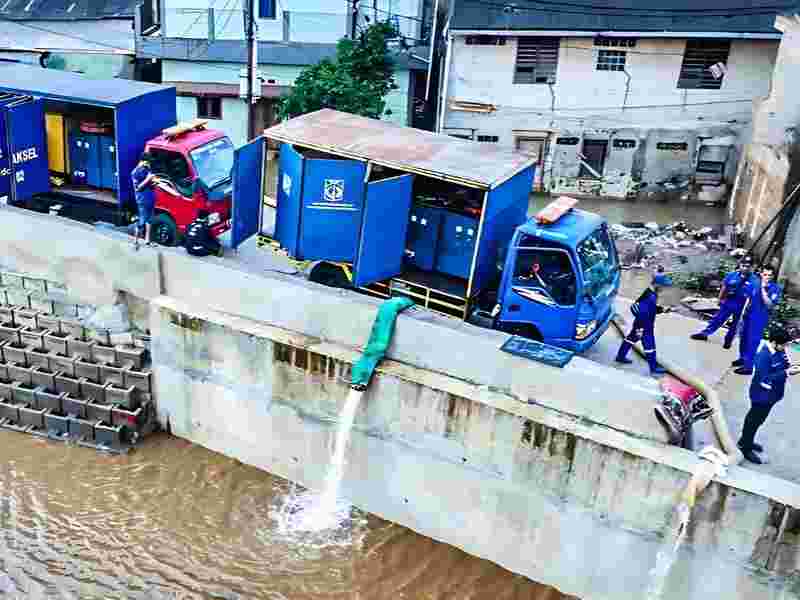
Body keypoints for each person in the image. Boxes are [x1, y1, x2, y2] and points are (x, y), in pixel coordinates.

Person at [737, 327, 799, 464]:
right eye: (783, 345)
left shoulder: (779, 350)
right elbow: (765, 378)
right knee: (753, 421)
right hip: (761, 396)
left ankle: (747, 440)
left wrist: (793, 367)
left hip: (772, 396)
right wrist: (787, 373)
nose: (785, 347)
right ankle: (744, 446)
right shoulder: (763, 356)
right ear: (774, 342)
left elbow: (784, 365)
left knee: (759, 421)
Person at [615, 268, 673, 376]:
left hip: (641, 323)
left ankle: (620, 356)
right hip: (645, 325)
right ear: (657, 285)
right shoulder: (651, 297)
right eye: (663, 287)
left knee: (631, 338)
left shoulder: (649, 292)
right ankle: (653, 367)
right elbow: (644, 312)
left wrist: (662, 310)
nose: (664, 289)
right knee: (649, 345)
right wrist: (641, 329)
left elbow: (650, 309)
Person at [690, 257, 756, 349]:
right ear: (740, 265)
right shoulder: (732, 275)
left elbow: (754, 296)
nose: (745, 268)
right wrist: (720, 299)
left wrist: (750, 309)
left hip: (742, 304)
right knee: (718, 318)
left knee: (735, 324)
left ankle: (728, 341)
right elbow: (724, 287)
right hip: (729, 301)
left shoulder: (755, 280)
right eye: (743, 265)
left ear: (752, 267)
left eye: (748, 266)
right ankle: (704, 334)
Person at [733, 265, 782, 375]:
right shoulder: (755, 283)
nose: (767, 277)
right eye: (765, 274)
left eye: (770, 275)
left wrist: (763, 289)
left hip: (759, 318)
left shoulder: (775, 288)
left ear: (773, 276)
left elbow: (769, 304)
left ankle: (748, 367)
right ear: (761, 274)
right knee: (744, 338)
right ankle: (743, 358)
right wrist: (742, 315)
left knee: (752, 341)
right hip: (749, 315)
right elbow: (749, 299)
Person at [131, 153, 158, 250]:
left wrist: (154, 182)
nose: (149, 163)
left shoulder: (147, 169)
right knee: (142, 220)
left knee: (150, 220)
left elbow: (150, 182)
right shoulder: (135, 172)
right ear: (143, 161)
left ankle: (147, 240)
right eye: (148, 161)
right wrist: (148, 179)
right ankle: (135, 241)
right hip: (142, 200)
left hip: (150, 198)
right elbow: (138, 188)